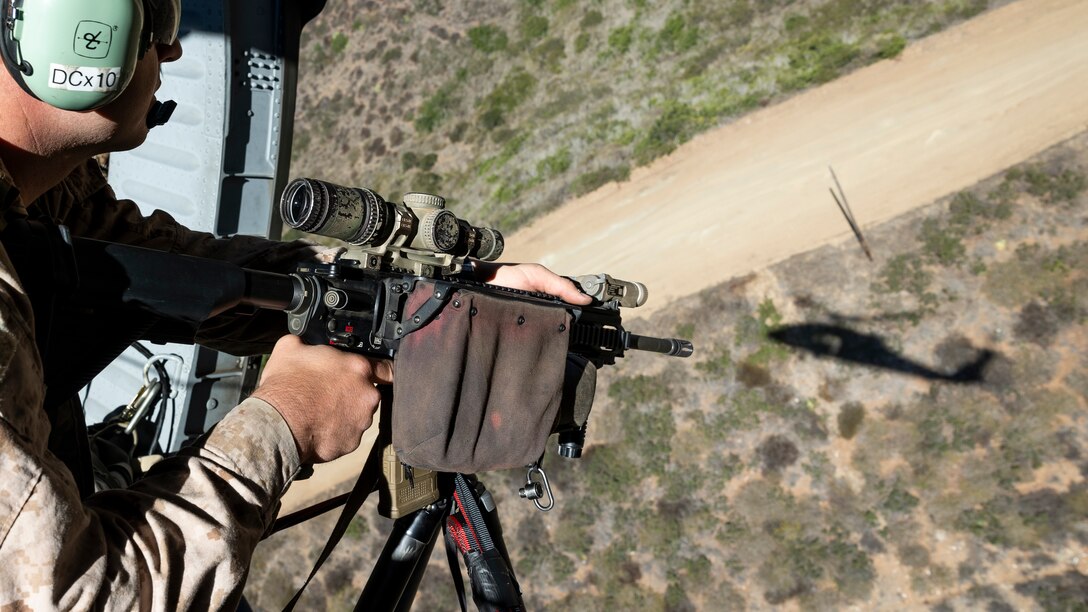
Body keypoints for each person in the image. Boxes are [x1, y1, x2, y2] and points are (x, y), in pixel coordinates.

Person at [0, 1, 589, 608]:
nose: (173, 51)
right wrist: (285, 421)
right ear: (74, 39)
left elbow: (172, 267)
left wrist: (425, 295)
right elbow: (77, 595)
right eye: (161, 26)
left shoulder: (38, 197)